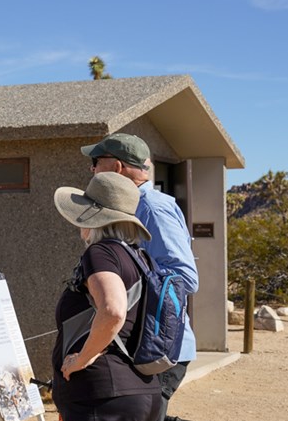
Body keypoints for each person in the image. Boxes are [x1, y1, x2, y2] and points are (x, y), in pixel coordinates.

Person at [81, 133, 199, 421]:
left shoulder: (151, 208)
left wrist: (120, 291)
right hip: (145, 345)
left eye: (96, 162)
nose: (93, 169)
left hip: (158, 349)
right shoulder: (137, 204)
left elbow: (184, 276)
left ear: (118, 167)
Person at [52, 171, 162, 421]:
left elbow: (113, 310)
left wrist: (83, 358)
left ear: (93, 217)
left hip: (102, 397)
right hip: (142, 390)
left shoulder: (101, 253)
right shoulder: (141, 259)